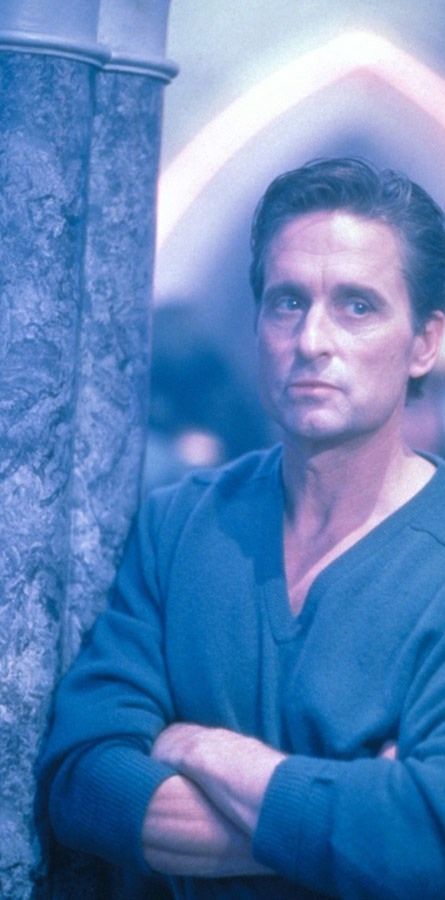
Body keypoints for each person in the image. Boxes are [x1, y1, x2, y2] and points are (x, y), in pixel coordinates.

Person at [40, 158, 445, 899]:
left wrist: (202, 748)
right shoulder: (180, 523)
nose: (312, 339)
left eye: (357, 306)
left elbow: (428, 838)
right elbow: (83, 779)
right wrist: (350, 823)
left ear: (425, 342)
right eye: (288, 302)